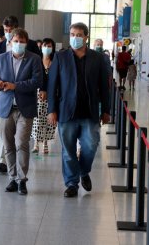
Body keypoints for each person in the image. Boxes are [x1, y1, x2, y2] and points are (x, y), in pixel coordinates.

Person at [47, 22, 110, 198]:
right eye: (72, 34)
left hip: (89, 111)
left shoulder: (97, 58)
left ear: (86, 37)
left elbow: (104, 86)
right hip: (66, 111)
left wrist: (106, 109)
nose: (75, 38)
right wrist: (51, 109)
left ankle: (83, 171)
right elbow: (52, 84)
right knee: (68, 150)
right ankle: (71, 183)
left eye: (79, 35)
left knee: (90, 145)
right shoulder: (61, 57)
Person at [0, 15, 43, 173]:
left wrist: (15, 86)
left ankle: (22, 178)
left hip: (25, 106)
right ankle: (11, 175)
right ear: (9, 42)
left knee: (21, 143)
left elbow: (37, 81)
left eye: (21, 41)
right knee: (8, 144)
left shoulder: (34, 57)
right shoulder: (0, 56)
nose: (18, 43)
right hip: (5, 105)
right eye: (15, 41)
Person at [31, 38, 56, 154]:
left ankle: (46, 143)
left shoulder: (55, 61)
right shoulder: (37, 61)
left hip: (52, 94)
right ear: (41, 47)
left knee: (48, 119)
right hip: (38, 94)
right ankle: (36, 143)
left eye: (49, 46)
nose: (47, 48)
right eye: (45, 45)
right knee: (37, 119)